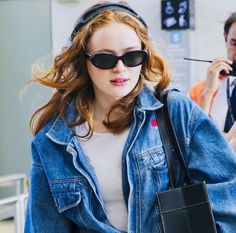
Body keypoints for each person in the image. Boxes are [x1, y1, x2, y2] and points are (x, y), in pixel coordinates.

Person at [24, 2, 236, 232]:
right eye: (105, 59)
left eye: (132, 56)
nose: (120, 68)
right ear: (83, 61)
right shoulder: (53, 140)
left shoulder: (175, 112)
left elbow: (228, 196)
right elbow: (44, 225)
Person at [189, 12, 236, 133]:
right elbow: (192, 135)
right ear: (225, 37)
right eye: (234, 43)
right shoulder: (200, 90)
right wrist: (207, 91)